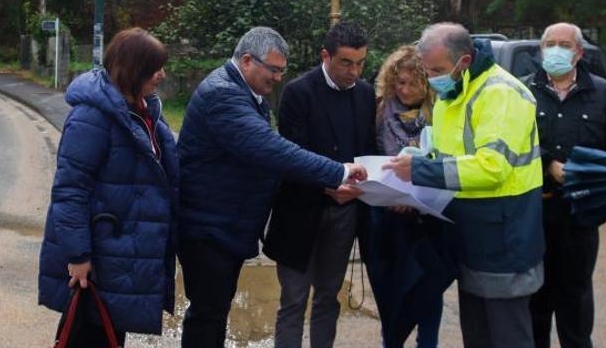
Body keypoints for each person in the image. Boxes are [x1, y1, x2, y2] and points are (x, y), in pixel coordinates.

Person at [176, 26, 368, 348]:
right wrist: (338, 172)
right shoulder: (224, 95)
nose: (278, 78)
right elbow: (273, 151)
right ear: (248, 60)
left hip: (223, 227)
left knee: (213, 314)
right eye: (274, 70)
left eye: (282, 71)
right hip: (209, 229)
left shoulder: (245, 93)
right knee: (208, 316)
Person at [384, 22, 544, 348]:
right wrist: (421, 156)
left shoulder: (500, 93)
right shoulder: (451, 94)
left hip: (505, 238)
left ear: (464, 61)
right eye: (426, 69)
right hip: (469, 238)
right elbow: (450, 155)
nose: (431, 78)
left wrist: (422, 169)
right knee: (477, 336)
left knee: (508, 337)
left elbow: (492, 167)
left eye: (437, 69)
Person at [38, 28, 179, 346]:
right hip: (99, 257)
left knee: (110, 332)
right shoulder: (92, 118)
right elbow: (70, 191)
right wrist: (78, 255)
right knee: (90, 333)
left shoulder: (143, 110)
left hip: (123, 254)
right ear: (133, 69)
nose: (162, 75)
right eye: (155, 68)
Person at [523, 22, 606, 348]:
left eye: (564, 44)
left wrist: (587, 170)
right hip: (533, 214)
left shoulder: (604, 95)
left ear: (579, 52)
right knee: (535, 309)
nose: (556, 50)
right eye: (550, 43)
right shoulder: (521, 91)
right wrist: (548, 163)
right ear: (541, 49)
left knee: (575, 310)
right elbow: (510, 144)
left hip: (579, 218)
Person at [262, 21, 377, 348]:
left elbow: (368, 149)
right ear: (325, 56)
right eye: (346, 62)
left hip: (344, 214)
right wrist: (330, 184)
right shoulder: (298, 92)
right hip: (300, 211)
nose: (354, 71)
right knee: (294, 299)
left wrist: (358, 188)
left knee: (329, 296)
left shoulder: (366, 95)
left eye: (360, 63)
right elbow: (291, 153)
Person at [369, 45, 450, 348]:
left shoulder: (441, 110)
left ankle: (427, 343)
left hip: (428, 214)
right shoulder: (379, 109)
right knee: (390, 287)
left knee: (429, 286)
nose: (404, 89)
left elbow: (447, 161)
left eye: (413, 82)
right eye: (399, 82)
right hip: (387, 216)